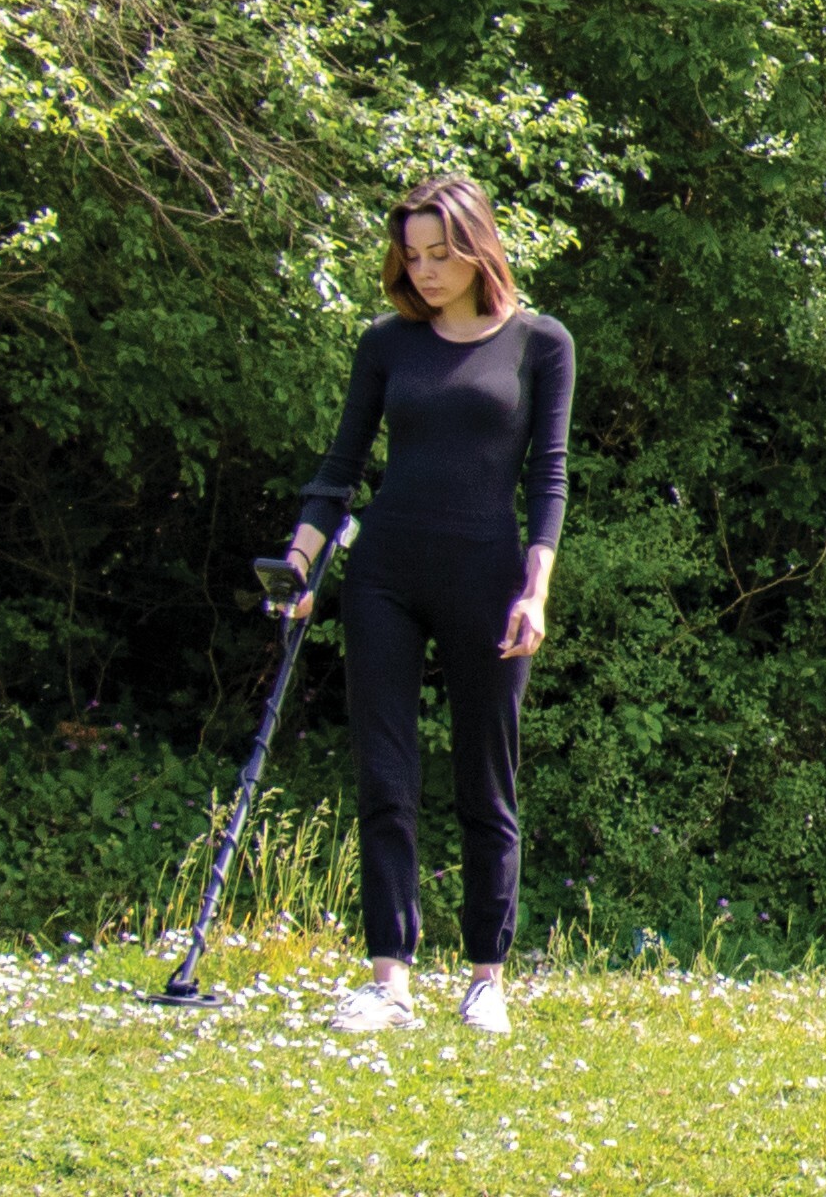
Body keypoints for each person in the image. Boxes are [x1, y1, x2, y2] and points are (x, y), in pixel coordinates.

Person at [283, 174, 575, 1034]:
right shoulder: (388, 343)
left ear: (478, 249)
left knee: (487, 779)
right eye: (411, 256)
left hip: (487, 579)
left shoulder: (540, 343)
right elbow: (339, 468)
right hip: (384, 576)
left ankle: (487, 978)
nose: (425, 271)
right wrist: (298, 567)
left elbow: (548, 476)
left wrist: (536, 591)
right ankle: (389, 982)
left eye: (440, 254)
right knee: (386, 775)